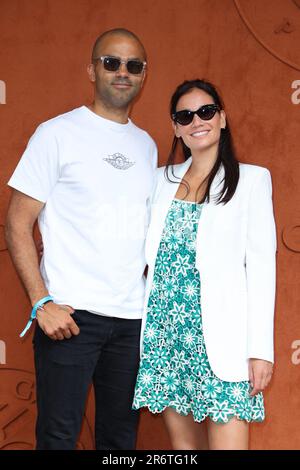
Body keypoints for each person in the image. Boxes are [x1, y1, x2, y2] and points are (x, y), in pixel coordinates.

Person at [5, 28, 157, 450]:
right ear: (91, 69)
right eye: (111, 62)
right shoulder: (56, 134)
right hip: (69, 319)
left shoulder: (146, 146)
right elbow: (17, 222)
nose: (122, 73)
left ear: (144, 75)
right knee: (58, 439)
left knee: (120, 443)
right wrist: (41, 303)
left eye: (133, 65)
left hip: (131, 321)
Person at [132, 79, 277, 450]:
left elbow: (262, 270)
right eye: (185, 115)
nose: (197, 120)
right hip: (167, 338)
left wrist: (260, 350)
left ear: (223, 118)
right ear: (176, 127)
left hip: (222, 341)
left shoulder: (252, 180)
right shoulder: (160, 182)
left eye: (206, 111)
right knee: (185, 452)